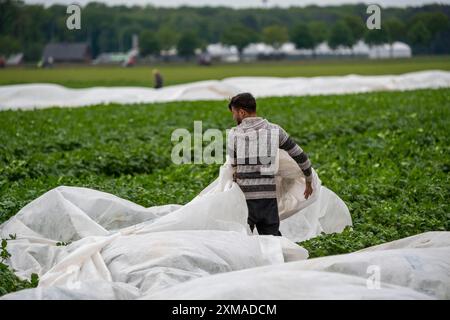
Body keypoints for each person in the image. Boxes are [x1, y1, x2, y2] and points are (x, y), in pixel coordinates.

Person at [227, 92, 313, 236]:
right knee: (273, 240)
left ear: (241, 112)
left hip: (245, 199)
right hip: (268, 199)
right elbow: (300, 156)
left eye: (234, 113)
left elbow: (232, 167)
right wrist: (308, 180)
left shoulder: (234, 134)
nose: (233, 117)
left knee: (242, 240)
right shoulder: (275, 130)